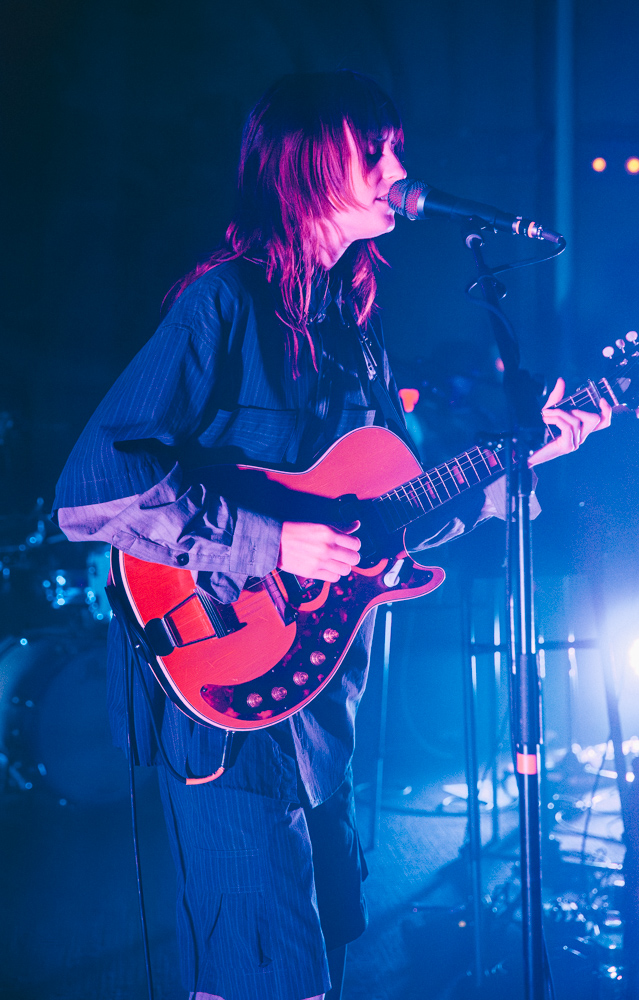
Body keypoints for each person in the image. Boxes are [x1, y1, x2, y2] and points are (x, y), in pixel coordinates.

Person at [52, 71, 611, 1000]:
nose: (399, 167)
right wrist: (266, 544)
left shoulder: (354, 330)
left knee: (319, 963)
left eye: (397, 146)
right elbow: (93, 489)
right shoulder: (221, 304)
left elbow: (385, 521)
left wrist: (526, 462)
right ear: (310, 166)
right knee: (269, 977)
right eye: (374, 150)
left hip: (319, 709)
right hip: (225, 697)